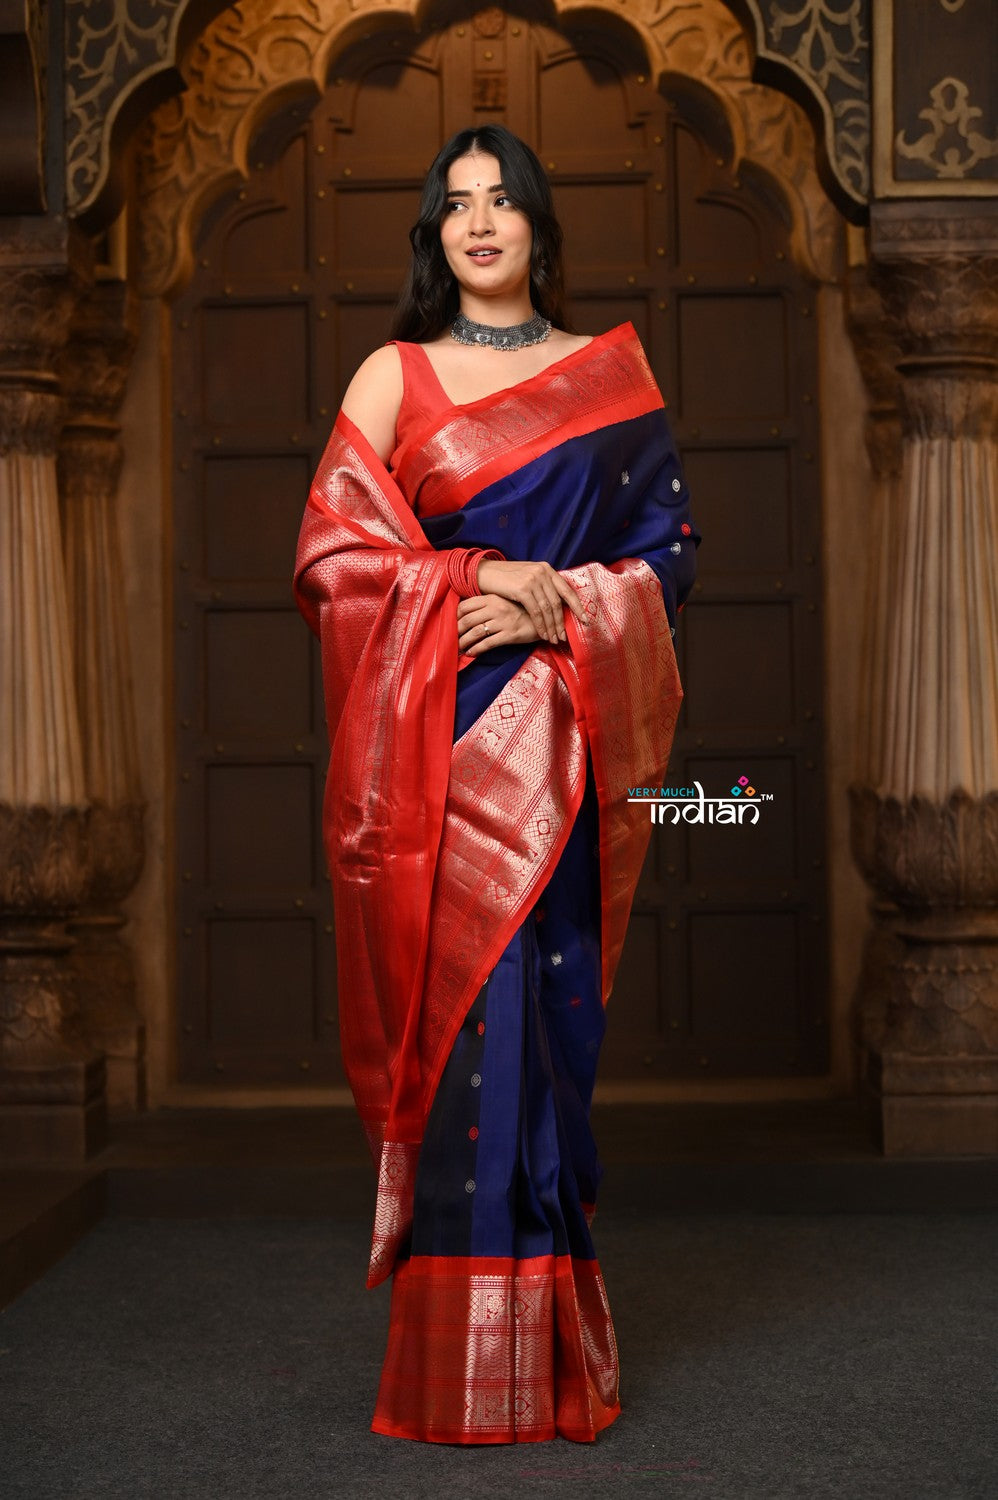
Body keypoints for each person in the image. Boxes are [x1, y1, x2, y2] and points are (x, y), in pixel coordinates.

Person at [294, 123, 700, 1445]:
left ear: (536, 223)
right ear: (435, 231)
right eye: (455, 203)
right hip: (437, 755)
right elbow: (334, 561)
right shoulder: (395, 375)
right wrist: (473, 577)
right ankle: (455, 1377)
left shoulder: (611, 378)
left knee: (550, 1033)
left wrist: (554, 602)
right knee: (461, 1034)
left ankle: (546, 1365)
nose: (478, 222)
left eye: (501, 200)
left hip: (562, 747)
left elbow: (669, 560)